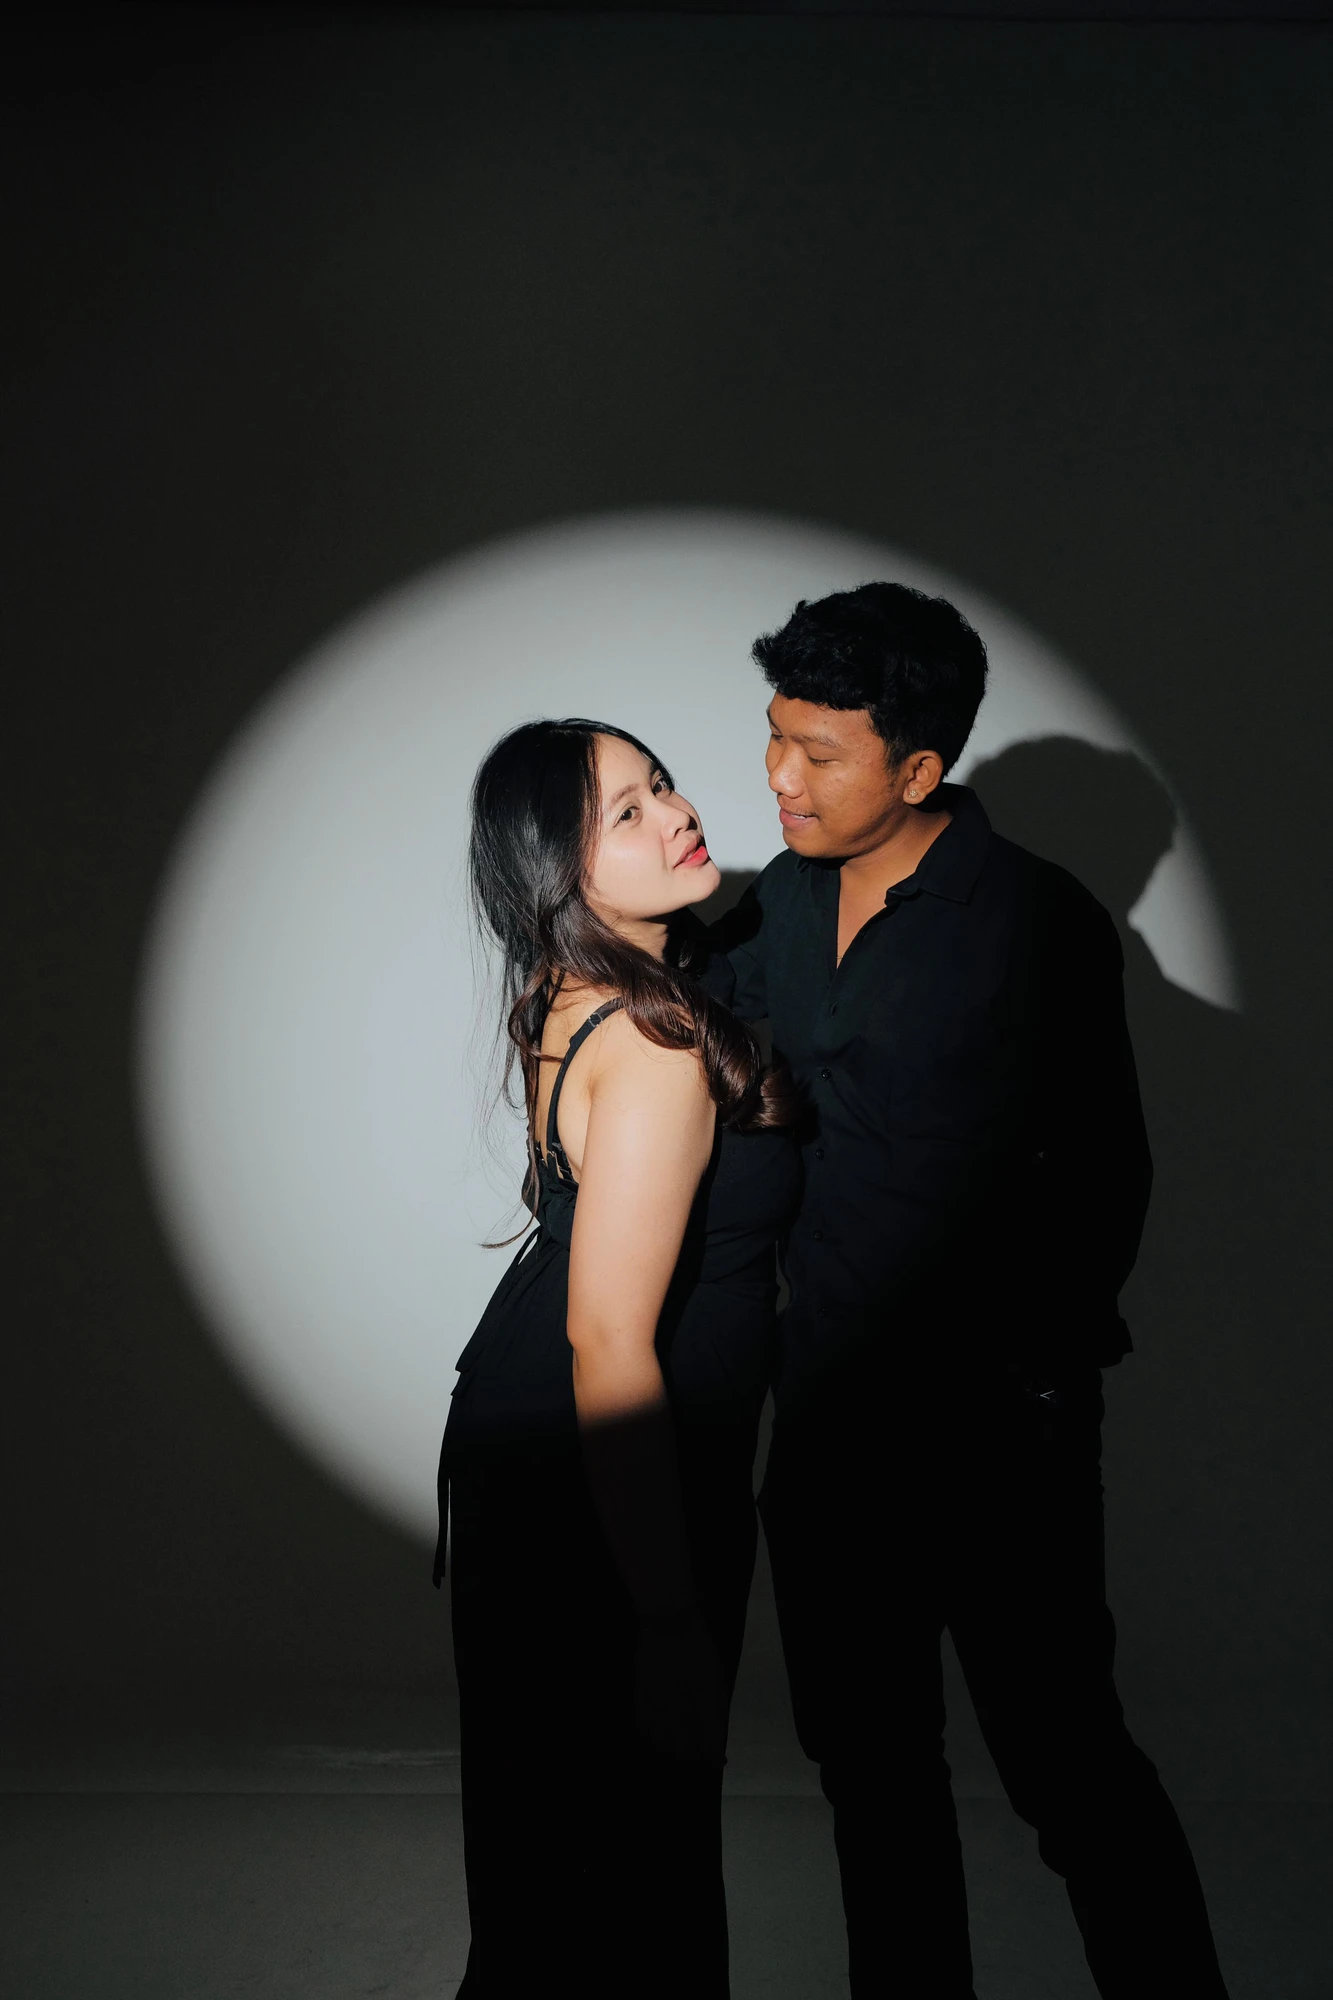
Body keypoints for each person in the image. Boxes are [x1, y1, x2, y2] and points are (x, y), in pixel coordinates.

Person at [712, 584, 1229, 1998]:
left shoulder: (1041, 921)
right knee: (870, 1775)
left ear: (919, 768)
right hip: (826, 1433)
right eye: (775, 735)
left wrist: (1034, 1381)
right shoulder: (774, 905)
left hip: (998, 1440)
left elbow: (1107, 1176)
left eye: (819, 751)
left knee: (1067, 1766)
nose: (780, 774)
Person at [436, 718, 799, 1999]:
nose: (678, 813)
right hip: (601, 1456)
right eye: (627, 813)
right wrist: (665, 1611)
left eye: (662, 784)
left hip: (546, 1441)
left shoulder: (588, 990)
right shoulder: (651, 1040)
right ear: (559, 871)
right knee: (626, 1857)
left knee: (565, 1853)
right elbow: (608, 1338)